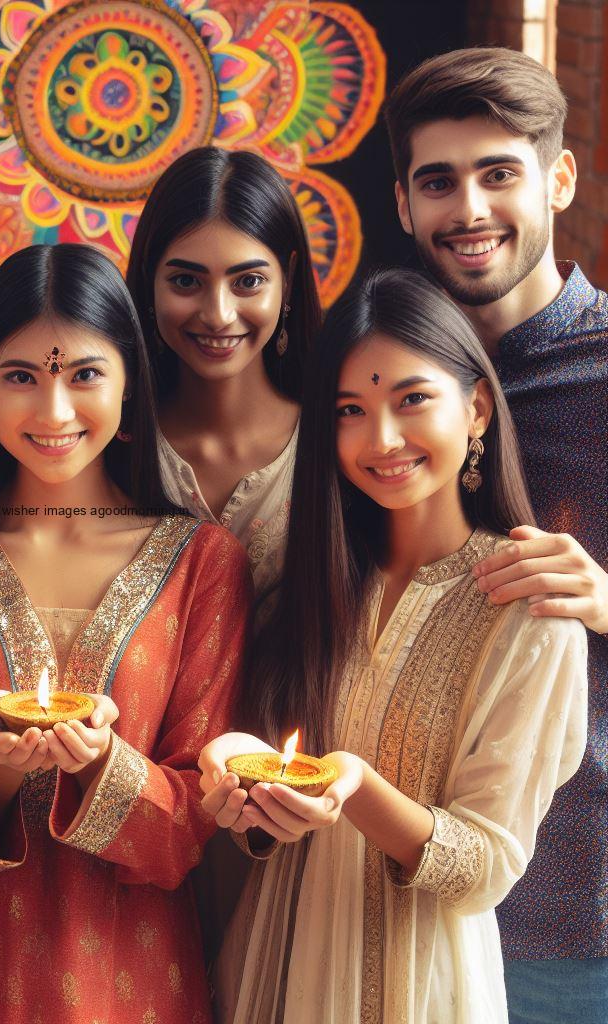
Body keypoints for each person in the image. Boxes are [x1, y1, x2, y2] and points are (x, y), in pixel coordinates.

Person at [200, 269, 587, 1024]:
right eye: (351, 410)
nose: (380, 439)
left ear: (477, 407)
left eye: (411, 399)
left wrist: (357, 787)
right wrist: (240, 789)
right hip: (275, 970)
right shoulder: (300, 580)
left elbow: (485, 868)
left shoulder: (532, 617)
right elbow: (263, 828)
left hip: (427, 986)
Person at [0, 244, 252, 1022]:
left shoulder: (203, 565)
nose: (53, 412)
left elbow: (189, 831)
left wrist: (104, 765)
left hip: (135, 984)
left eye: (83, 375)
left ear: (129, 385)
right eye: (22, 376)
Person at [384, 48, 608, 1023]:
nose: (467, 208)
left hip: (575, 917)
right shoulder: (376, 385)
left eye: (498, 174)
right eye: (439, 181)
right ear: (402, 202)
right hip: (396, 888)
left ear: (557, 178)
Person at [126, 146, 321, 595]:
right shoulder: (107, 442)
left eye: (248, 282)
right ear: (149, 280)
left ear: (288, 280)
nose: (218, 314)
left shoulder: (339, 438)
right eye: (186, 281)